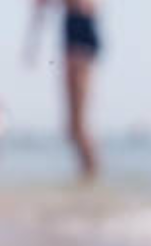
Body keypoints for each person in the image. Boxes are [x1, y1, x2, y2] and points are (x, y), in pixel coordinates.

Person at [27, 0, 101, 179]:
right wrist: (31, 46)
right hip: (72, 30)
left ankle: (92, 175)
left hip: (81, 31)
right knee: (71, 129)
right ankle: (87, 179)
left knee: (78, 126)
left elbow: (89, 6)